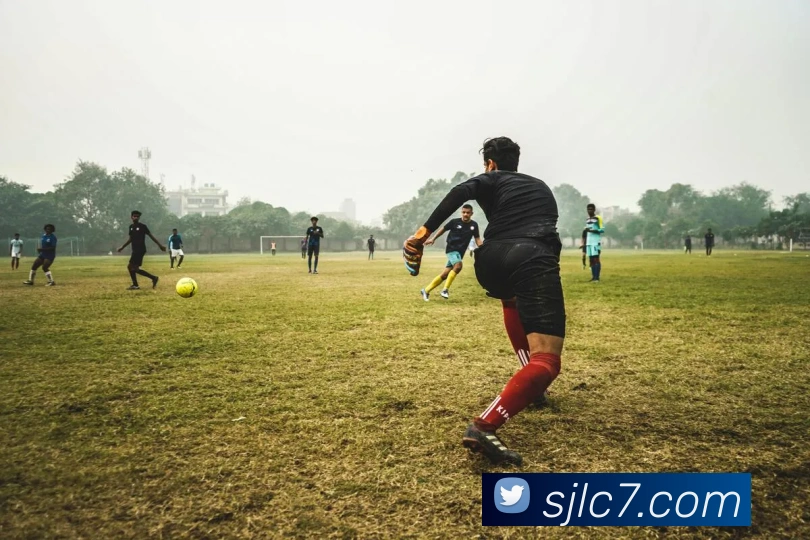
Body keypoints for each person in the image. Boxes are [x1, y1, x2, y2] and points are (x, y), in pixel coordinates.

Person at [403, 137, 565, 465]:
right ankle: (484, 425)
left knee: (511, 301)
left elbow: (460, 191)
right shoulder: (540, 186)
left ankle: (531, 388)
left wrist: (420, 235)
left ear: (489, 164)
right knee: (547, 361)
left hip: (489, 260)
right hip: (531, 254)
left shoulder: (490, 179)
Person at [420, 204, 481, 301]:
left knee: (444, 275)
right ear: (461, 212)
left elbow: (477, 238)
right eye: (463, 212)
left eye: (468, 213)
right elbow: (443, 229)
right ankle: (445, 290)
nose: (465, 214)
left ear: (471, 213)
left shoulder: (474, 225)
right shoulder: (454, 222)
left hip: (460, 253)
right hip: (451, 249)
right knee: (458, 266)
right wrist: (433, 239)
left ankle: (426, 290)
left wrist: (482, 249)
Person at [117, 210, 166, 290]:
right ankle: (152, 278)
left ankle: (137, 284)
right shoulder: (131, 227)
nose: (136, 217)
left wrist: (160, 245)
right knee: (133, 268)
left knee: (131, 267)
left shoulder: (143, 226)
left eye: (137, 216)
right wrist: (122, 247)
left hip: (140, 249)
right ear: (131, 217)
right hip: (135, 250)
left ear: (139, 218)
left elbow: (151, 236)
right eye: (134, 216)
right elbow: (130, 239)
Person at [584, 204, 604, 282]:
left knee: (596, 259)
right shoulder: (587, 219)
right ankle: (593, 277)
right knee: (591, 259)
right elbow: (587, 231)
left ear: (594, 210)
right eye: (588, 209)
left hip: (595, 242)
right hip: (589, 242)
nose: (590, 211)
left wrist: (592, 231)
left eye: (591, 209)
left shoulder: (598, 218)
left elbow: (602, 229)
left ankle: (597, 277)